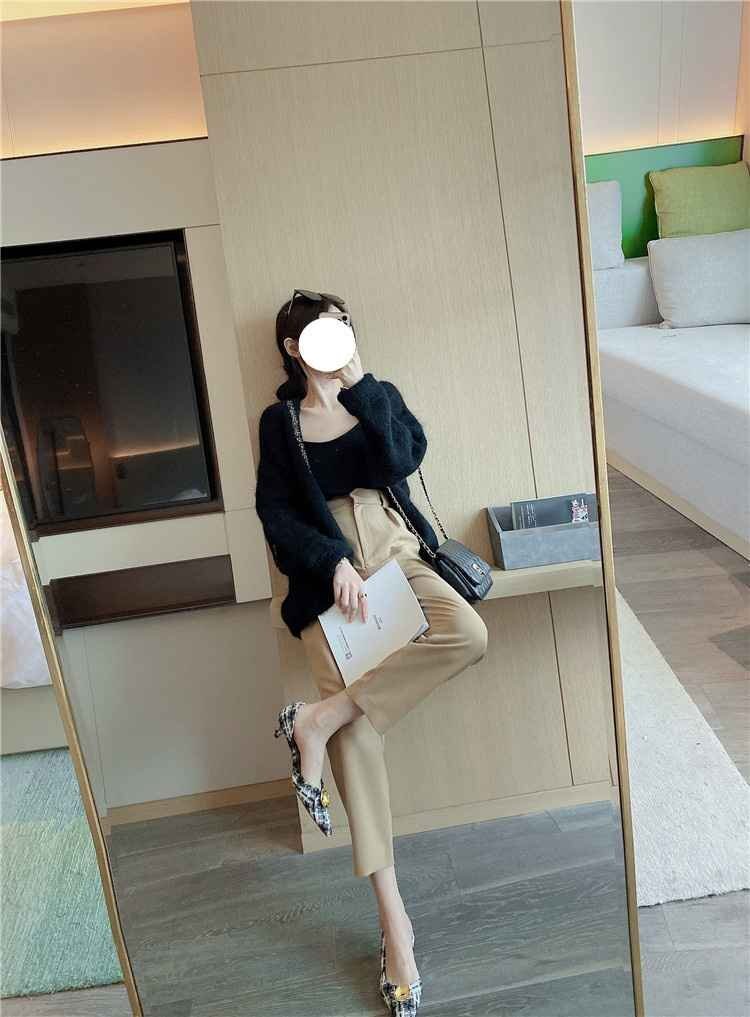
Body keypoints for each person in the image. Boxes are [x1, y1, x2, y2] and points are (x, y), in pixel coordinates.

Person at [255, 289, 489, 1016]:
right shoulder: (280, 422)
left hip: (396, 549)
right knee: (359, 744)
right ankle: (395, 927)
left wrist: (360, 386)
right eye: (322, 331)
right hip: (330, 577)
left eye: (343, 326)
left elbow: (404, 456)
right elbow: (275, 514)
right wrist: (331, 562)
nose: (337, 337)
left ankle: (317, 718)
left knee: (466, 633)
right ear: (293, 347)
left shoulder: (374, 394)